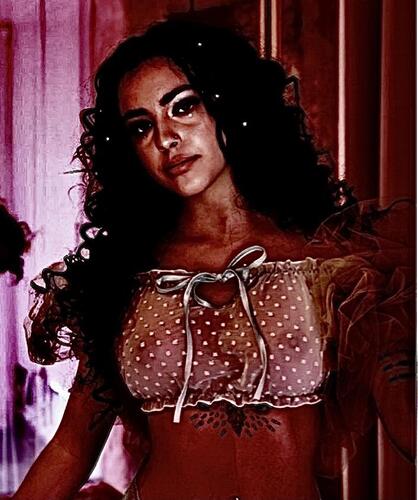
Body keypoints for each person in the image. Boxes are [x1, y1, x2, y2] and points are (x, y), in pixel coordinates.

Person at [14, 20, 414, 500]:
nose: (166, 138)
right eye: (141, 126)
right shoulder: (121, 279)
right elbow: (72, 449)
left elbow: (408, 425)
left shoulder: (333, 261)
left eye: (183, 107)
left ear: (232, 104)